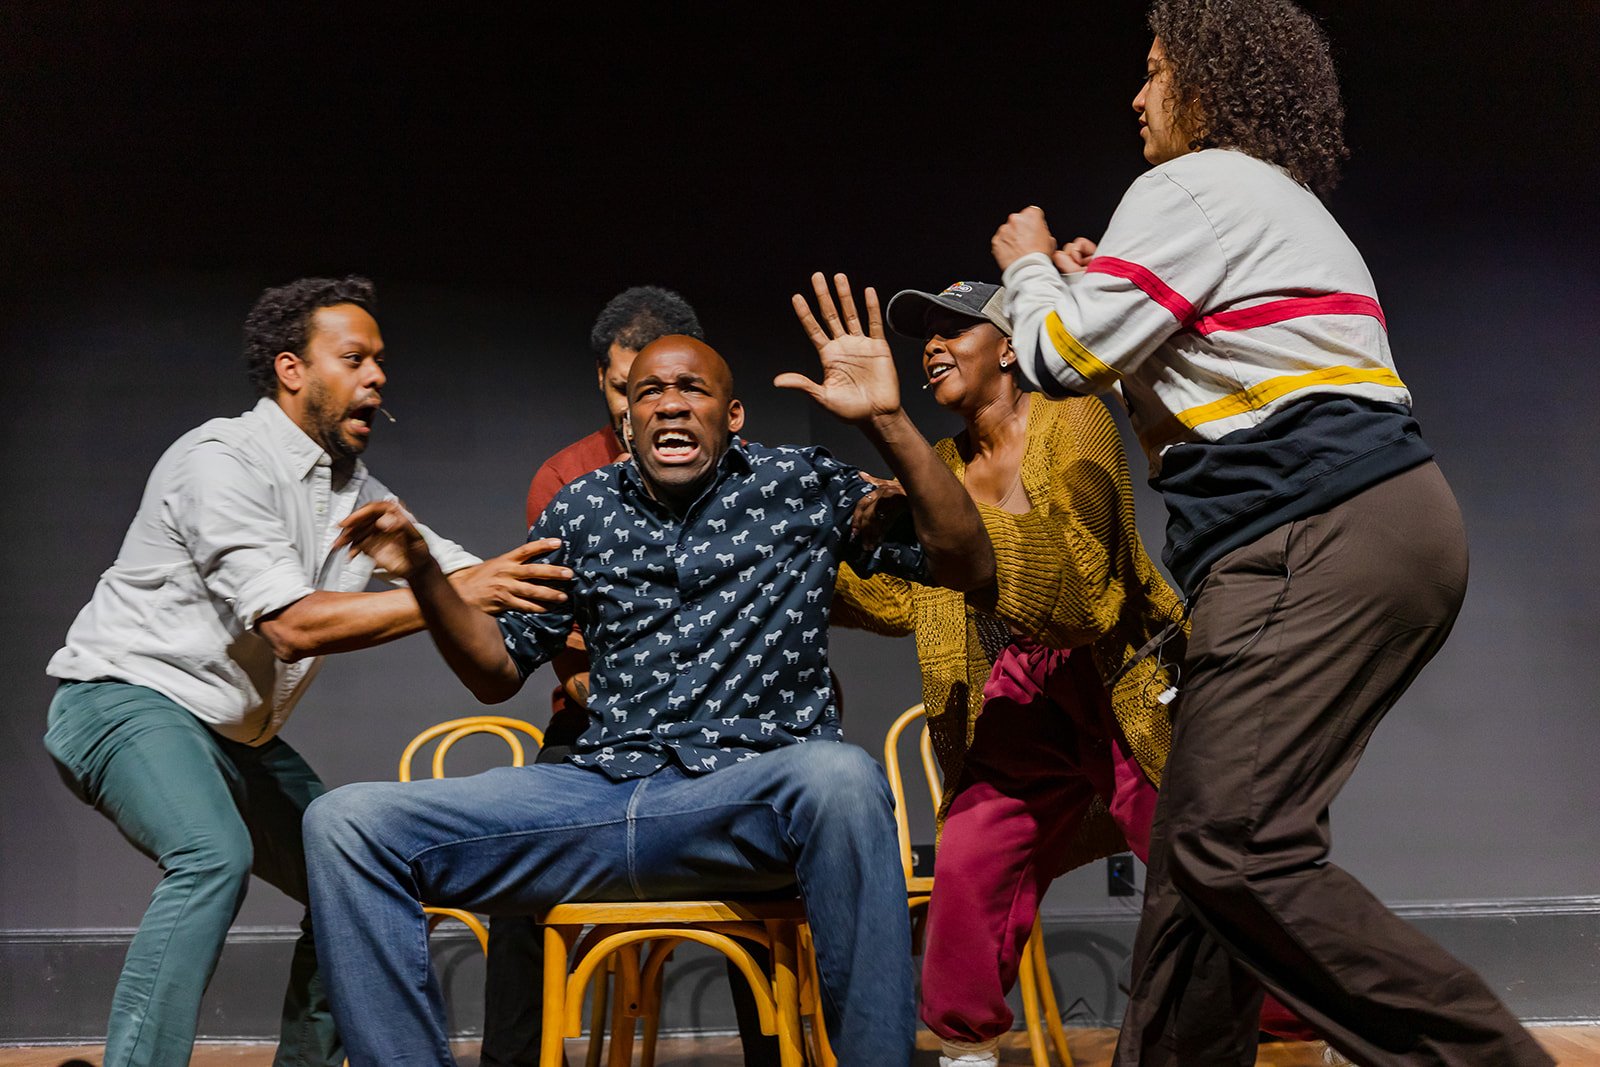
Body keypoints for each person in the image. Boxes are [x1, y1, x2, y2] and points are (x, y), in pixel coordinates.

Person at [990, 3, 1552, 1064]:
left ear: (1205, 81)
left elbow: (1058, 360)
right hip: (1371, 527)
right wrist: (1090, 284)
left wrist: (1027, 267)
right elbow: (1199, 359)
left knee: (1229, 845)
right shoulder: (1268, 203)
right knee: (1196, 878)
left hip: (1309, 531)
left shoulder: (1188, 186)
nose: (1138, 95)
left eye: (1154, 72)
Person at [302, 274, 995, 1067]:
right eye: (649, 391)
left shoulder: (801, 485)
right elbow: (497, 670)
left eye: (691, 388)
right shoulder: (581, 509)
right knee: (345, 821)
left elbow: (968, 561)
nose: (669, 402)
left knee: (842, 776)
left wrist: (887, 419)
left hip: (745, 797)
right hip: (599, 793)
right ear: (625, 419)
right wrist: (424, 571)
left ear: (730, 415)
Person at [42, 276, 571, 1067]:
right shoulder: (219, 460)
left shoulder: (357, 493)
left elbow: (482, 582)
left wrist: (601, 597)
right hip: (124, 700)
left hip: (233, 737)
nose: (378, 377)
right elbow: (291, 624)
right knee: (213, 854)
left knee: (356, 866)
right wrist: (448, 587)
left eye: (381, 361)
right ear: (292, 369)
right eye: (354, 358)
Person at [487, 285, 779, 1067]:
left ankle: (785, 1052)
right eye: (628, 390)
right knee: (517, 869)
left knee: (778, 867)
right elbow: (561, 646)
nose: (645, 409)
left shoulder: (751, 478)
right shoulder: (568, 481)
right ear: (607, 384)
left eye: (668, 387)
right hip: (598, 725)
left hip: (726, 727)